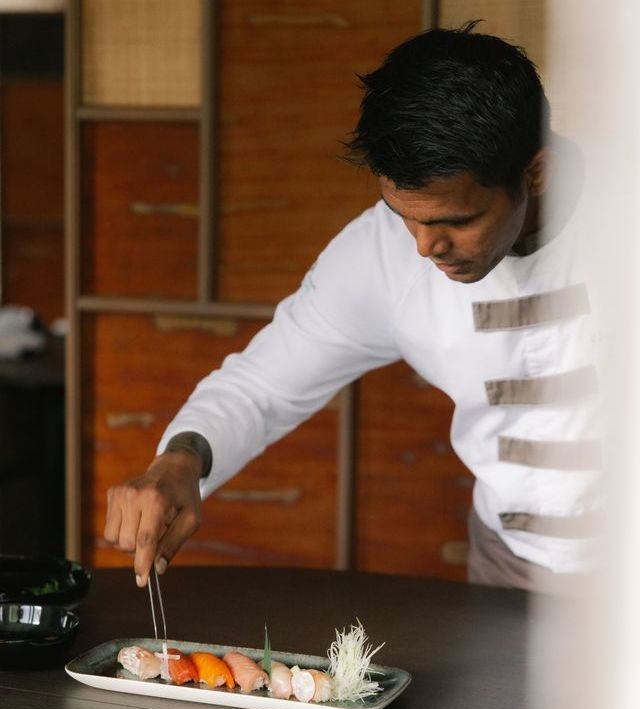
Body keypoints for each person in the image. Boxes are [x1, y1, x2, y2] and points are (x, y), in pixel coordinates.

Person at [104, 22, 599, 593]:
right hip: (510, 567)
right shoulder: (380, 257)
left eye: (456, 222)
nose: (425, 247)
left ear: (536, 172)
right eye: (404, 215)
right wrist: (179, 462)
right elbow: (260, 386)